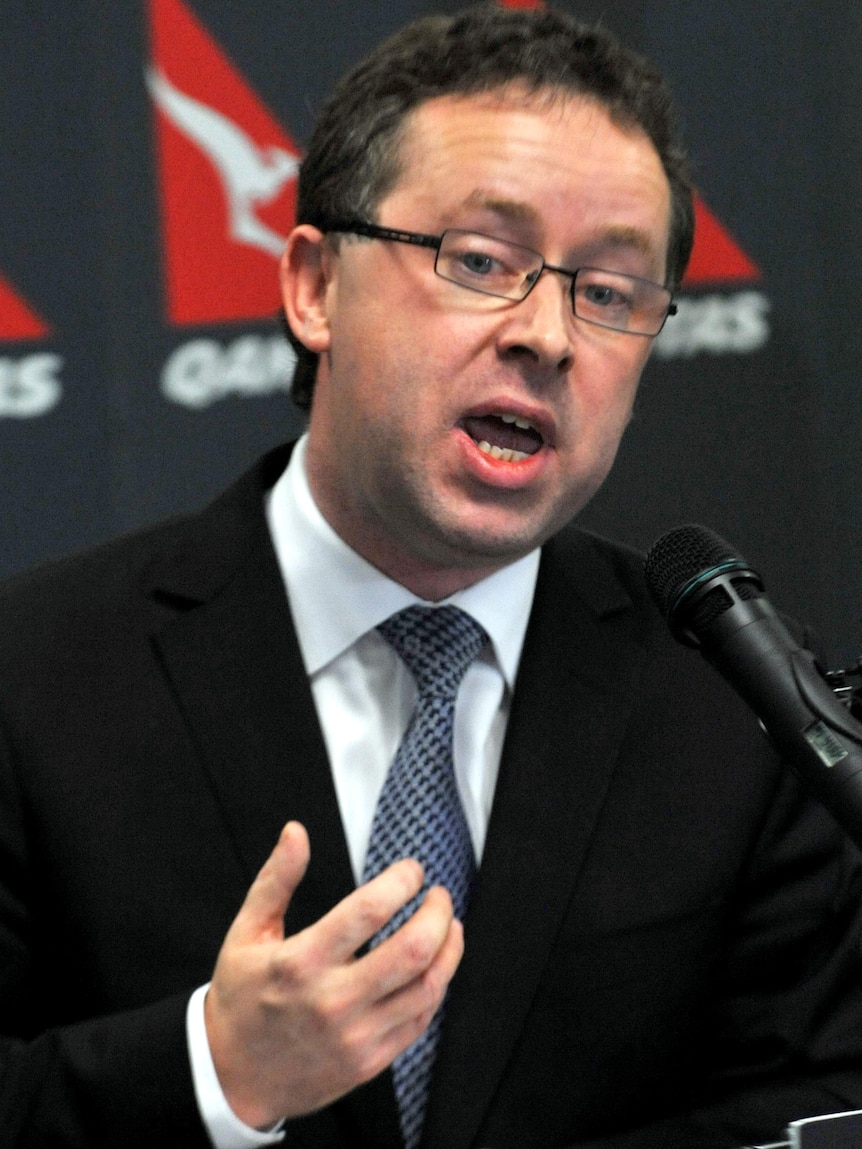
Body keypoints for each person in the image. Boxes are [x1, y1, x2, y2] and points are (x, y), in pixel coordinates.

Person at [1, 5, 862, 1148]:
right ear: (314, 287)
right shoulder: (35, 677)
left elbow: (808, 1103)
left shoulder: (724, 699)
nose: (548, 335)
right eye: (481, 261)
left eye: (609, 292)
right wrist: (214, 1071)